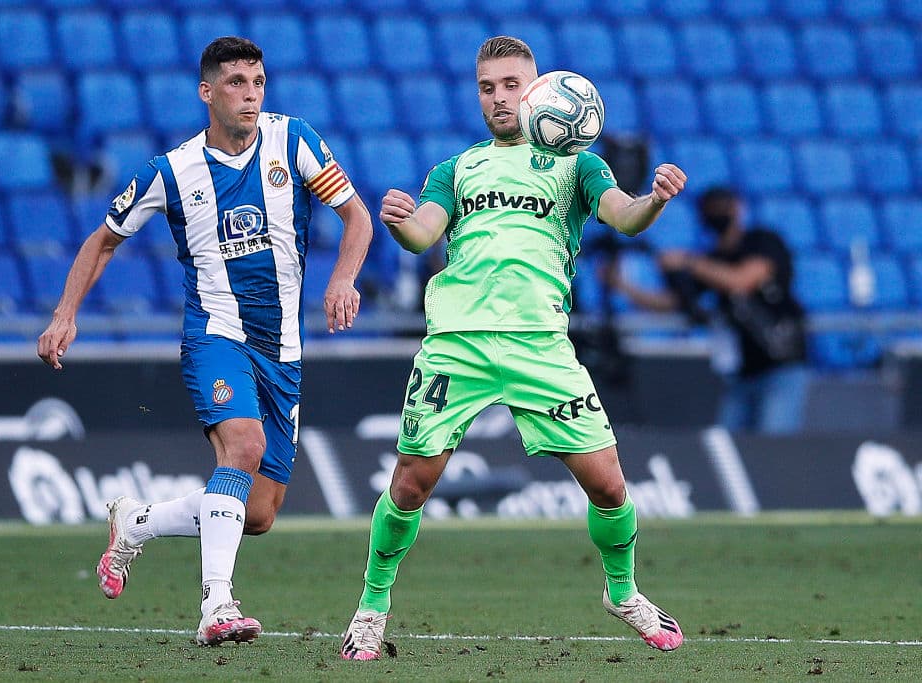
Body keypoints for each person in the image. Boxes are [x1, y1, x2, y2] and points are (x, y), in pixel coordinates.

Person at [339, 36, 687, 661]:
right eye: (487, 87)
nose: (499, 98)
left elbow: (624, 216)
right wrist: (397, 220)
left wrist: (655, 200)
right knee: (412, 485)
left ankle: (624, 592)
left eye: (510, 85)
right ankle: (371, 607)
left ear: (539, 89)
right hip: (456, 345)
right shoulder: (457, 169)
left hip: (541, 346)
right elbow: (423, 235)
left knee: (609, 486)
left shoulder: (579, 164)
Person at [37, 37, 372, 646]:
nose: (251, 94)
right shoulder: (172, 171)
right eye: (238, 82)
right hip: (215, 335)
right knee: (241, 447)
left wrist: (343, 276)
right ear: (207, 91)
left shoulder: (294, 140)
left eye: (259, 82)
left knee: (261, 514)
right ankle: (217, 605)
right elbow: (102, 240)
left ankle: (136, 522)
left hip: (284, 350)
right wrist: (65, 314)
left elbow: (357, 216)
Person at [606, 186, 809, 434]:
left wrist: (688, 262)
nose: (717, 215)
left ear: (737, 208)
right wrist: (622, 286)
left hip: (781, 364)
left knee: (775, 441)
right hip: (743, 371)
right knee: (731, 441)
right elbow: (672, 303)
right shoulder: (713, 258)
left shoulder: (762, 242)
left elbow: (741, 281)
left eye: (722, 207)